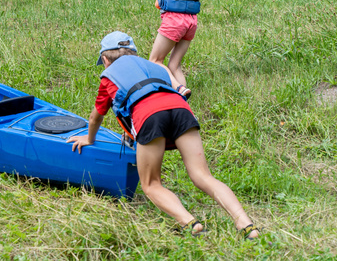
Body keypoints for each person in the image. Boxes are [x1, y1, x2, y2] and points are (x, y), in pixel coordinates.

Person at [67, 31, 261, 240]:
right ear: (133, 53)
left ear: (105, 59)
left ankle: (190, 223)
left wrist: (89, 139)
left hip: (149, 114)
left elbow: (96, 117)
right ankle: (247, 224)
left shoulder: (109, 76)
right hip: (181, 109)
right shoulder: (154, 65)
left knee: (151, 185)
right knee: (203, 176)